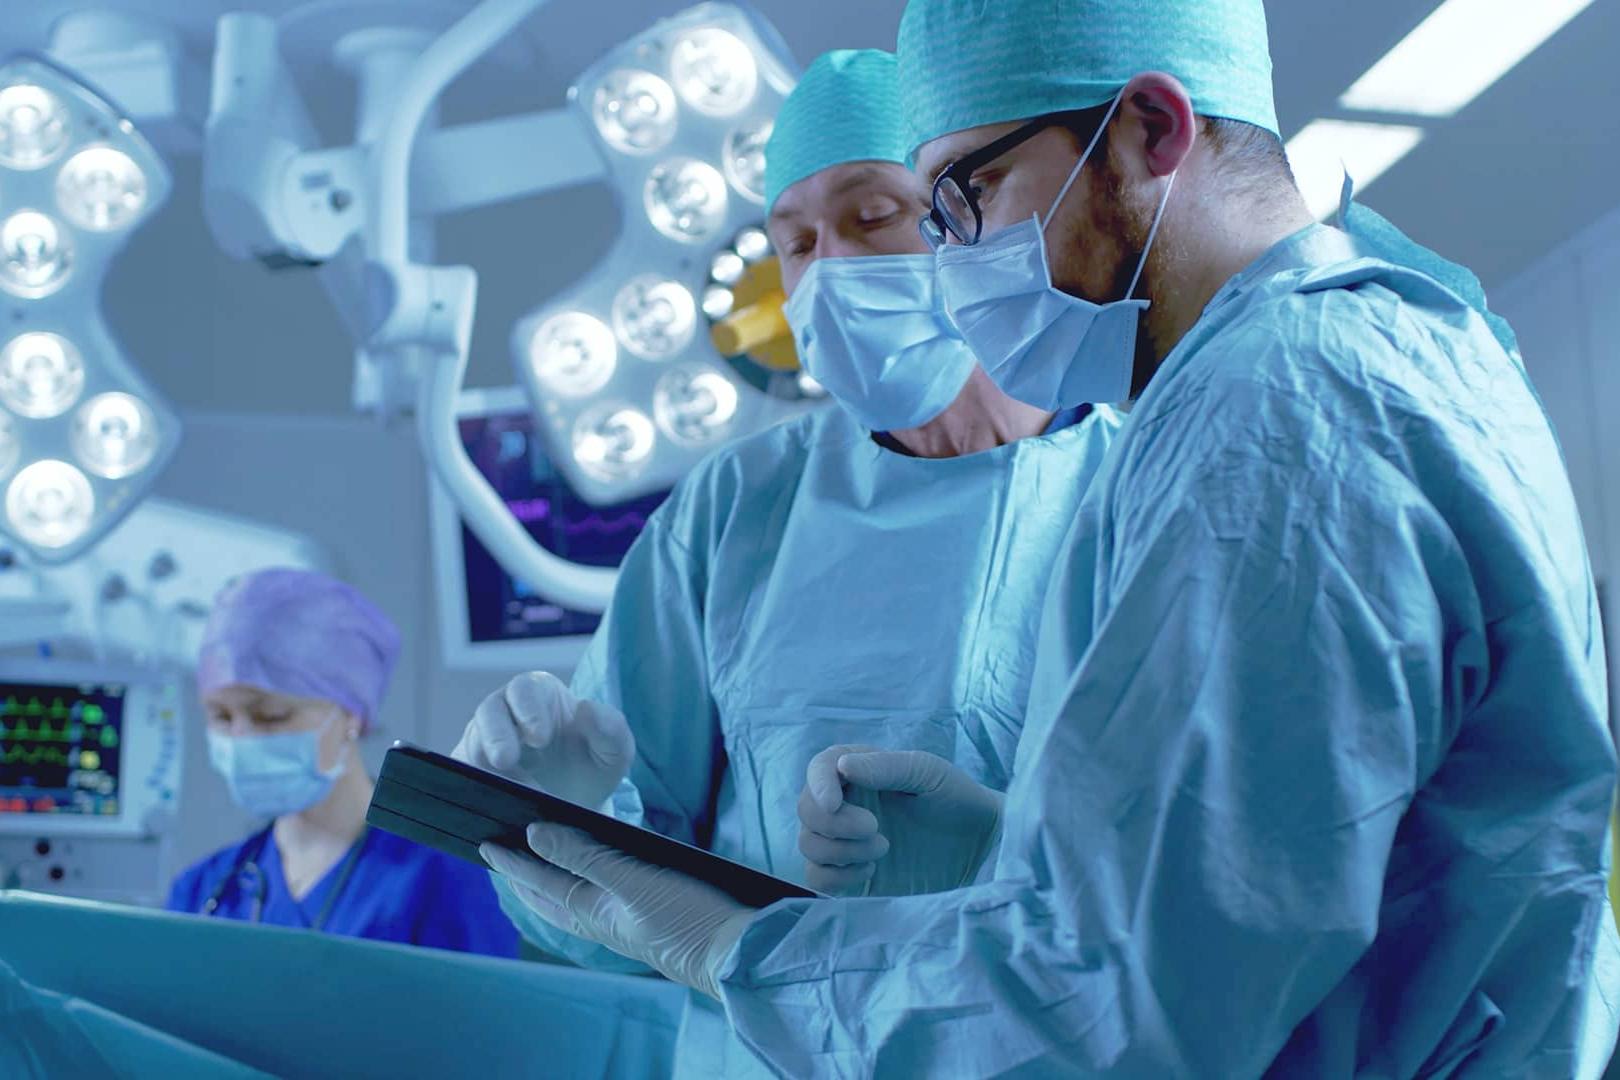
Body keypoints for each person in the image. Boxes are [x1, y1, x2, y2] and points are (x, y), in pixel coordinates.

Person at [480, 2, 1616, 1076]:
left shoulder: (1272, 418)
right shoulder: (1362, 355)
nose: (954, 253)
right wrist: (1011, 863)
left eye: (960, 198)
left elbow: (1120, 1008)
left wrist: (740, 950)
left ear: (1149, 130)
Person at [457, 48, 1119, 1077]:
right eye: (797, 241)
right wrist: (565, 813)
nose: (834, 271)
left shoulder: (1137, 488)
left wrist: (1007, 855)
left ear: (969, 213)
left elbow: (1204, 870)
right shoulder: (738, 508)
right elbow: (600, 921)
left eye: (873, 216)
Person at [167, 568, 518, 959]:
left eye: (271, 715)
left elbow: (484, 1017)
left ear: (352, 715)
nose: (241, 738)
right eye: (220, 717)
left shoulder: (443, 877)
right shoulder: (204, 889)